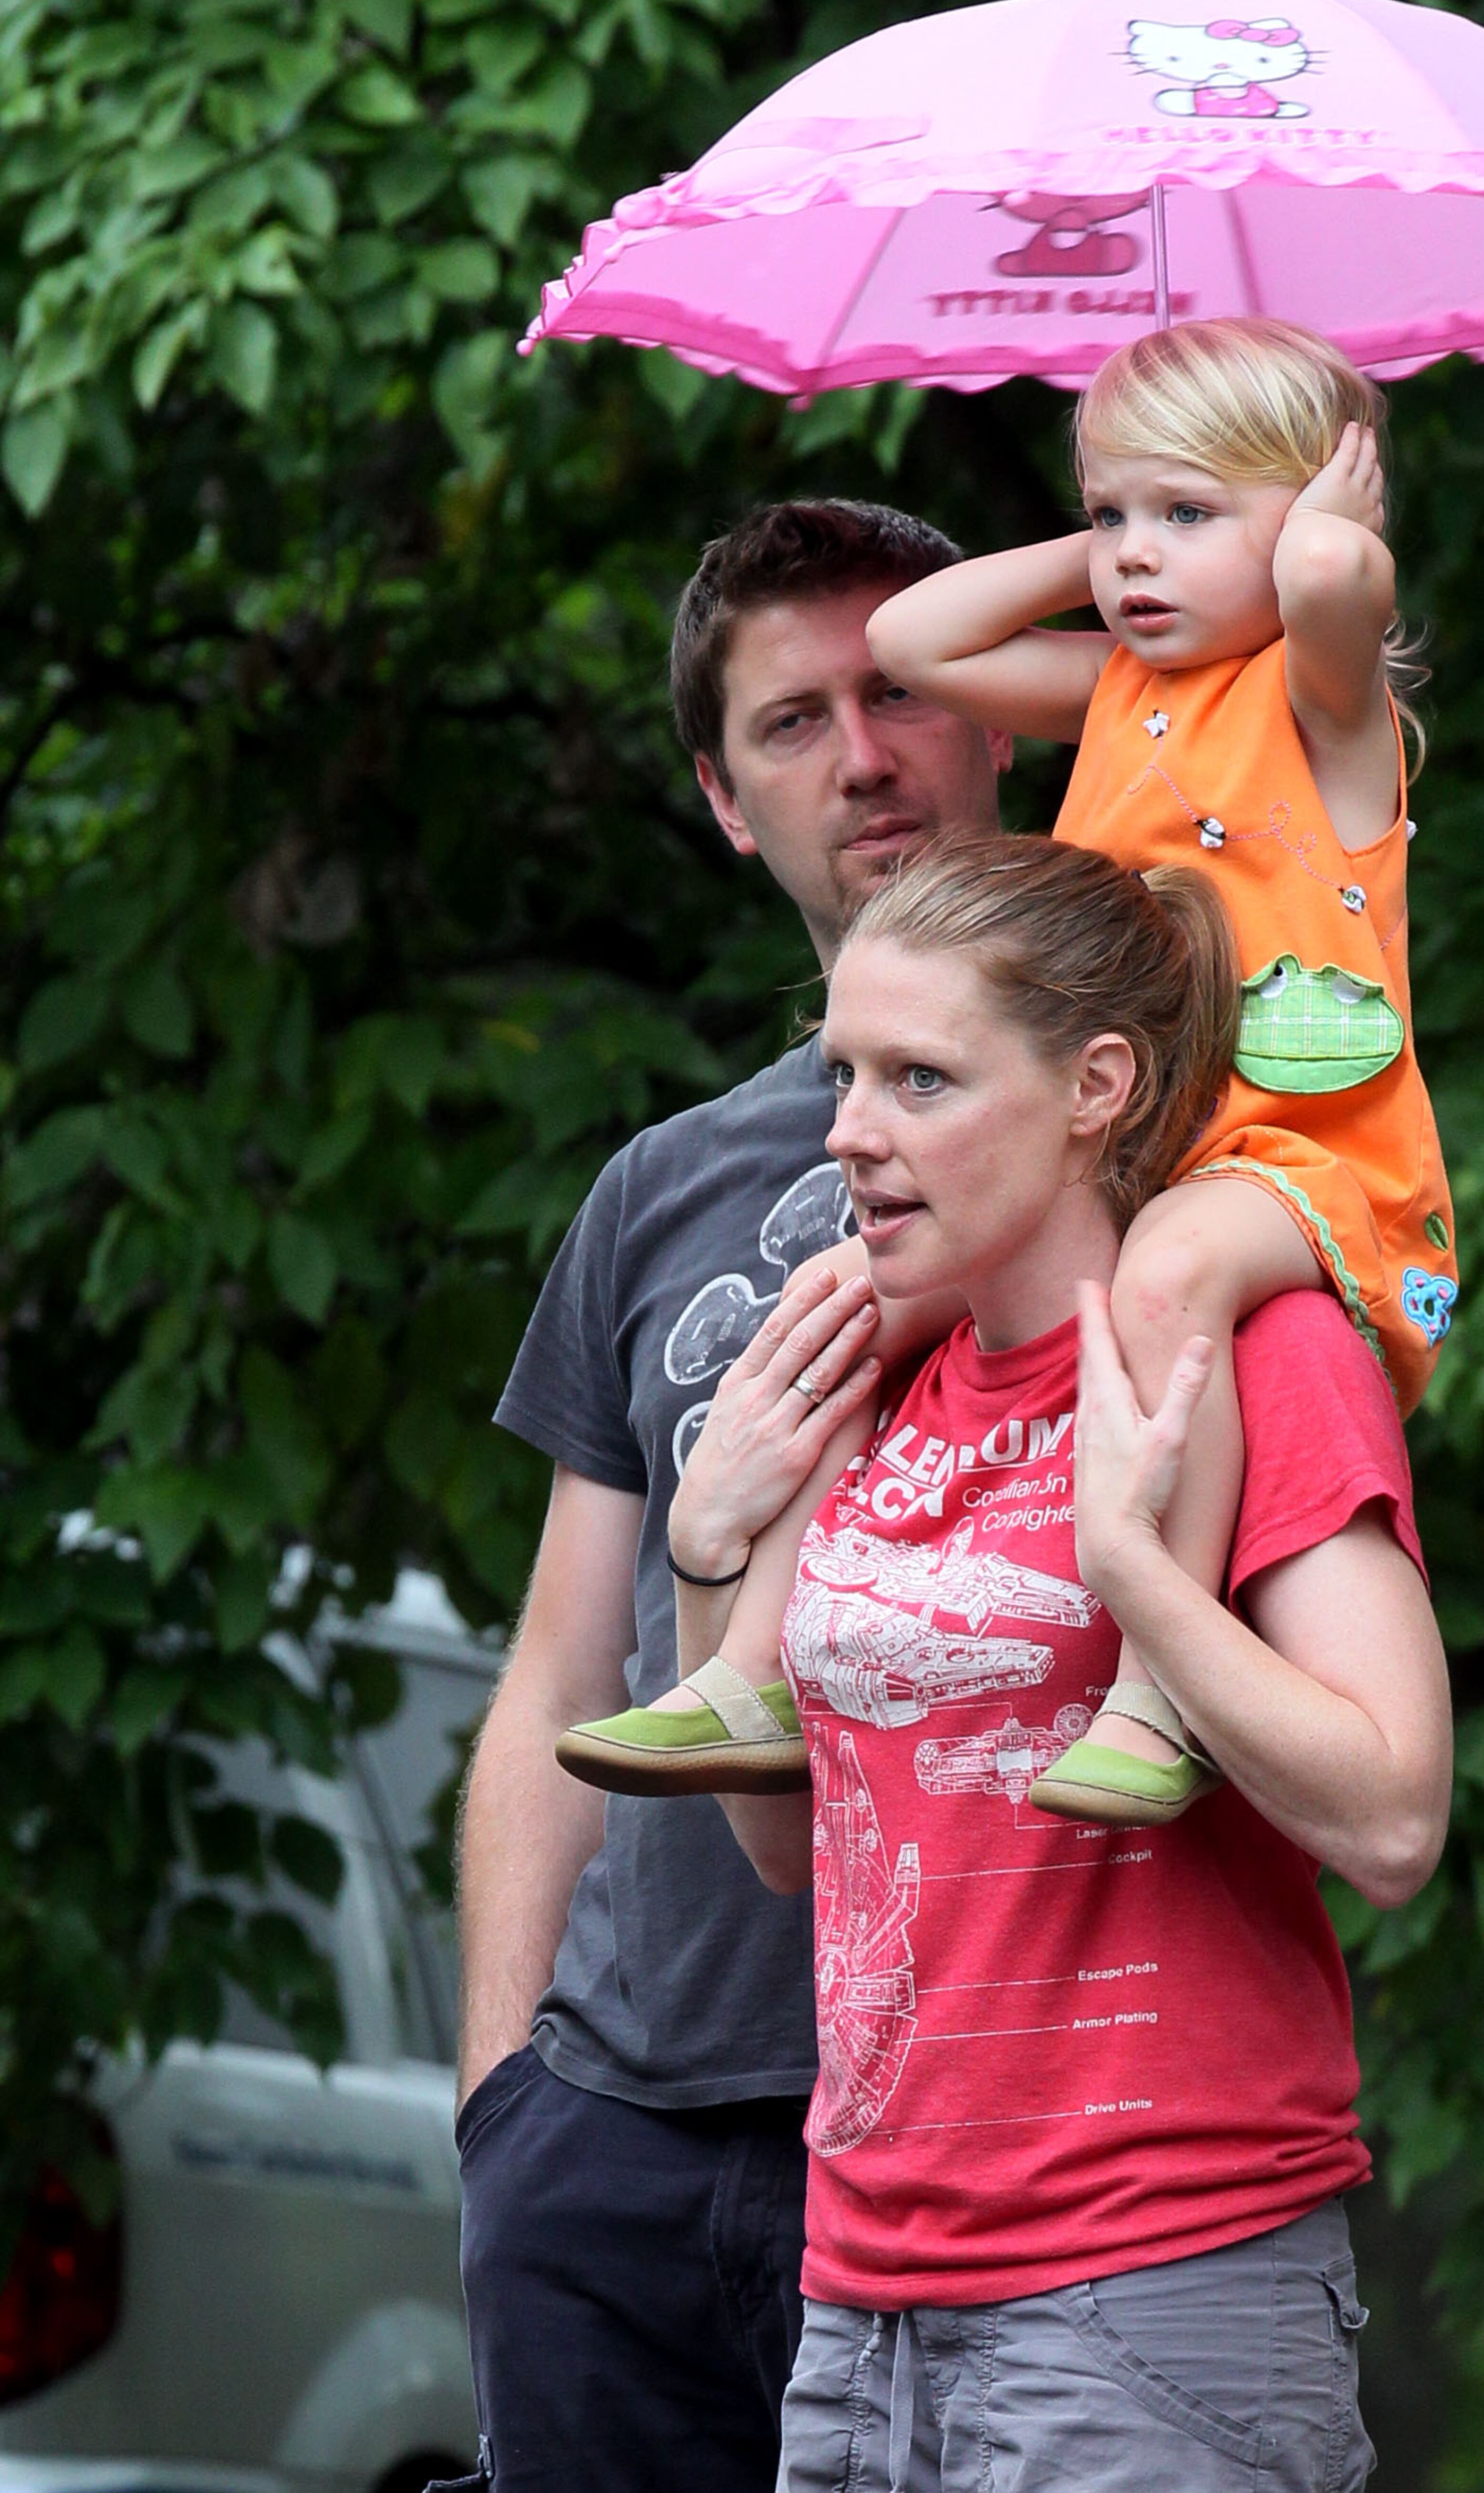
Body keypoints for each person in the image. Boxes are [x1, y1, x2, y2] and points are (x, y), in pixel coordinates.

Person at [571, 315, 1457, 1829]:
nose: (1135, 554)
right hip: (1129, 1152)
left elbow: (1326, 588)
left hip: (1304, 1173)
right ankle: (758, 1670)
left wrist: (1319, 515)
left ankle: (1160, 1689)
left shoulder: (1323, 711)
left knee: (1172, 1281)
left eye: (1186, 514)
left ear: (1307, 511)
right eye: (1113, 513)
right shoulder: (1119, 686)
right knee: (850, 1303)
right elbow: (917, 639)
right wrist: (1121, 542)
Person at [664, 832, 1453, 2493]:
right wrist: (707, 1560)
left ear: (1099, 1084)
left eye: (921, 1080)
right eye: (846, 1075)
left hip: (1151, 2295)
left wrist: (1137, 1586)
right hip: (862, 2302)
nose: (850, 1134)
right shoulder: (890, 1384)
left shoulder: (1258, 1358)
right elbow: (794, 1854)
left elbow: (1395, 1819)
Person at [452, 500, 1012, 2493]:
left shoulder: (1134, 1118)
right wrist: (501, 2103)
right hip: (613, 2139)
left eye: (906, 688)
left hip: (971, 2130)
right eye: (792, 720)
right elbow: (550, 1675)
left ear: (1004, 714)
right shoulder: (656, 1188)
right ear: (722, 796)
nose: (863, 753)